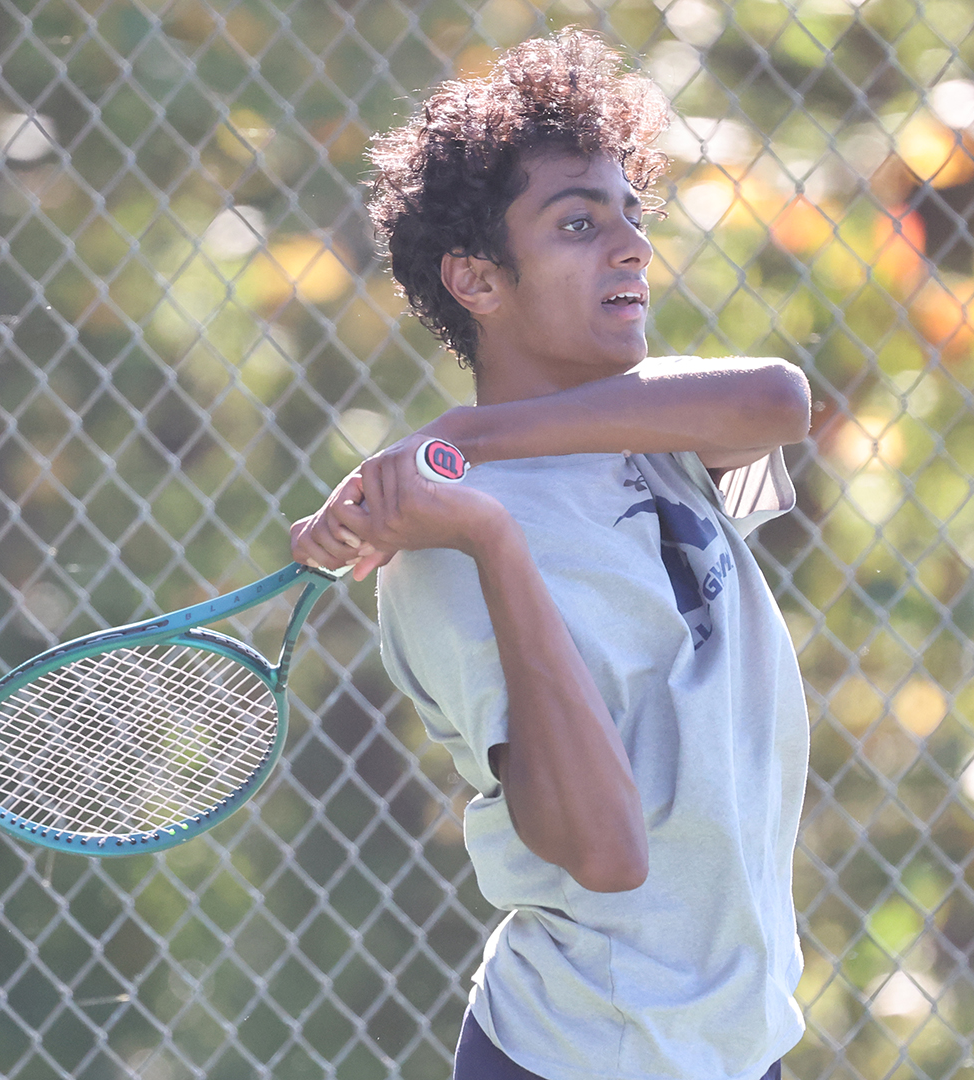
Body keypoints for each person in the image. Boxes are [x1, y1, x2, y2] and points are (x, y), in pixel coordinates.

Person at [291, 29, 812, 1080]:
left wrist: (462, 436)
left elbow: (779, 401)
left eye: (632, 214)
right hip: (590, 1053)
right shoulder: (442, 551)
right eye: (580, 223)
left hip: (734, 1043)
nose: (632, 246)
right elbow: (605, 855)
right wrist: (489, 535)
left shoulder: (648, 430)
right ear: (477, 282)